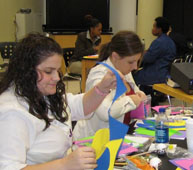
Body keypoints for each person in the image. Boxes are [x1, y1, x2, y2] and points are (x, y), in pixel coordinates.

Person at [0, 33, 117, 169]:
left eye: (57, 70)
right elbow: (9, 167)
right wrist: (64, 164)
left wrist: (102, 88)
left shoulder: (40, 91)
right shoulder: (11, 112)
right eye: (49, 71)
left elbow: (79, 106)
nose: (56, 77)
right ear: (27, 70)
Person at [73, 31, 146, 140]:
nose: (135, 67)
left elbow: (134, 90)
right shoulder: (99, 74)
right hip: (92, 141)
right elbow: (105, 112)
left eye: (137, 61)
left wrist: (139, 94)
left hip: (117, 136)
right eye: (131, 62)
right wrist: (131, 100)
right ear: (115, 56)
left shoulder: (124, 69)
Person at [133, 16, 176, 106]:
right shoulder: (170, 42)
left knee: (131, 76)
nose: (152, 29)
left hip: (153, 75)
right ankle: (152, 99)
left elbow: (147, 59)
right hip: (164, 75)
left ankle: (138, 104)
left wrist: (142, 54)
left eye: (154, 26)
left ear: (159, 29)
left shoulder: (159, 42)